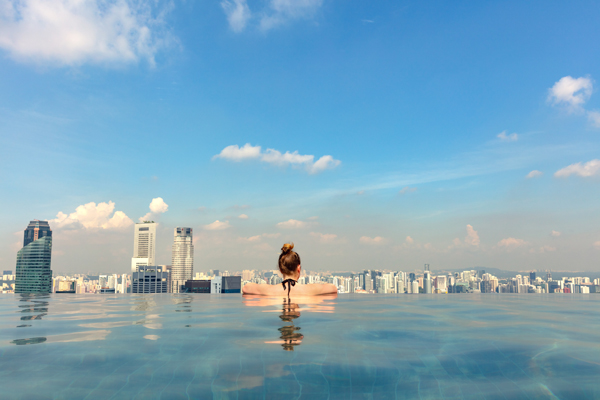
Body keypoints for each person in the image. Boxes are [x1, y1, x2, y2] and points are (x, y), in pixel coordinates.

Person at [242, 243, 338, 296]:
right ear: (298, 268)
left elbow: (245, 288)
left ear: (280, 269)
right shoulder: (310, 289)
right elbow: (333, 288)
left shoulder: (269, 290)